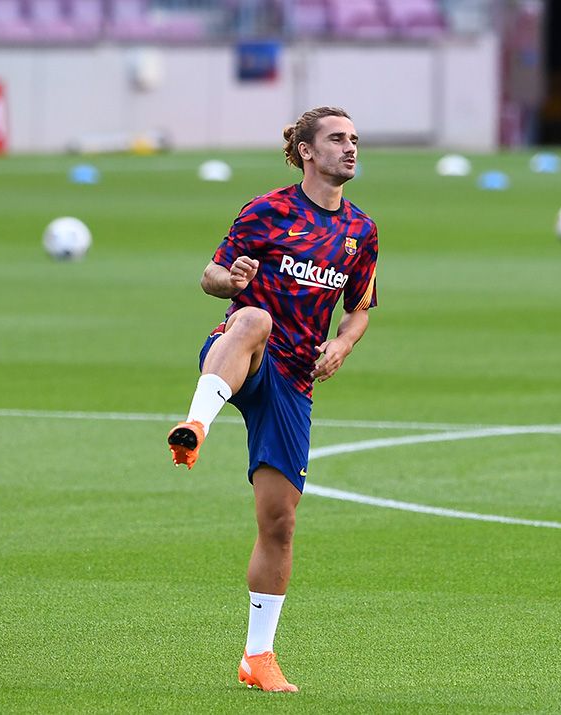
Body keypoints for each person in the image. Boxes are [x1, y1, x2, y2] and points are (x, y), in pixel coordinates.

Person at [166, 106, 378, 693]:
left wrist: (342, 343)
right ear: (307, 150)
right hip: (242, 351)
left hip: (295, 380)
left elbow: (360, 306)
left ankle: (257, 658)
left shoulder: (361, 231)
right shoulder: (268, 211)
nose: (350, 147)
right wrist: (229, 281)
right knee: (254, 316)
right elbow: (210, 275)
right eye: (337, 138)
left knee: (279, 523)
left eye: (355, 139)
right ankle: (195, 427)